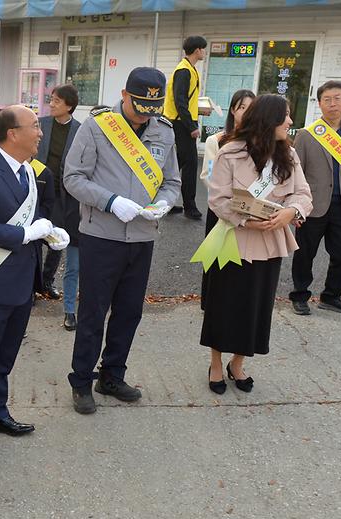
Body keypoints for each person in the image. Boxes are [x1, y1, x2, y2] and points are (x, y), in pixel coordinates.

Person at [64, 67, 181, 414]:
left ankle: (112, 375)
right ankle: (82, 380)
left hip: (143, 236)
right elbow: (73, 177)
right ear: (126, 95)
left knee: (129, 311)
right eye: (140, 105)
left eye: (153, 107)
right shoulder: (98, 127)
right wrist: (110, 201)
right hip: (102, 235)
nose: (146, 114)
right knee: (93, 312)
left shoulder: (163, 131)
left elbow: (172, 181)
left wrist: (165, 202)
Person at [0, 105, 68, 466]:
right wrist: (27, 233)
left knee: (4, 357)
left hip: (22, 282)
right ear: (12, 134)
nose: (40, 132)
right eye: (35, 126)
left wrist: (49, 232)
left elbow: (33, 217)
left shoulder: (29, 172)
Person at [202, 94, 312, 395]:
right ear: (268, 120)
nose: (290, 122)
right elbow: (218, 199)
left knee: (256, 308)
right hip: (233, 240)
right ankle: (215, 363)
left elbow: (303, 193)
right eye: (285, 116)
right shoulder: (230, 152)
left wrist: (290, 211)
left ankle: (237, 363)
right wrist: (246, 221)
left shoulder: (288, 155)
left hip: (270, 242)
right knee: (223, 305)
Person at [289, 81, 341, 315]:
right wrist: (295, 208)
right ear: (320, 103)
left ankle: (331, 296)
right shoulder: (306, 135)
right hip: (312, 205)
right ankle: (300, 295)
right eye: (327, 100)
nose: (333, 104)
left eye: (337, 98)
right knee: (305, 252)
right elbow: (296, 173)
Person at [199, 89, 256, 308]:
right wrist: (231, 199)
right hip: (221, 209)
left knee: (241, 257)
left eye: (251, 108)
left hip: (249, 210)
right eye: (241, 107)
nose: (245, 112)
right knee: (215, 257)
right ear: (233, 110)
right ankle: (210, 301)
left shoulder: (258, 141)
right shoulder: (218, 140)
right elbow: (208, 175)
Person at [35, 84, 82, 328]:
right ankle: (33, 287)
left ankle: (46, 281)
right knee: (35, 240)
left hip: (66, 195)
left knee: (58, 240)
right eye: (50, 100)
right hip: (40, 190)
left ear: (69, 106)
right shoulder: (40, 124)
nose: (51, 104)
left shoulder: (80, 130)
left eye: (55, 101)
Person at [164, 35, 208, 219]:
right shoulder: (184, 71)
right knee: (189, 164)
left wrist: (199, 111)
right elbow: (180, 101)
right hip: (179, 123)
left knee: (176, 164)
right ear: (197, 50)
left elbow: (186, 100)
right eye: (203, 49)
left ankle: (162, 202)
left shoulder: (190, 69)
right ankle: (189, 207)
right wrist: (192, 126)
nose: (204, 52)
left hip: (182, 121)